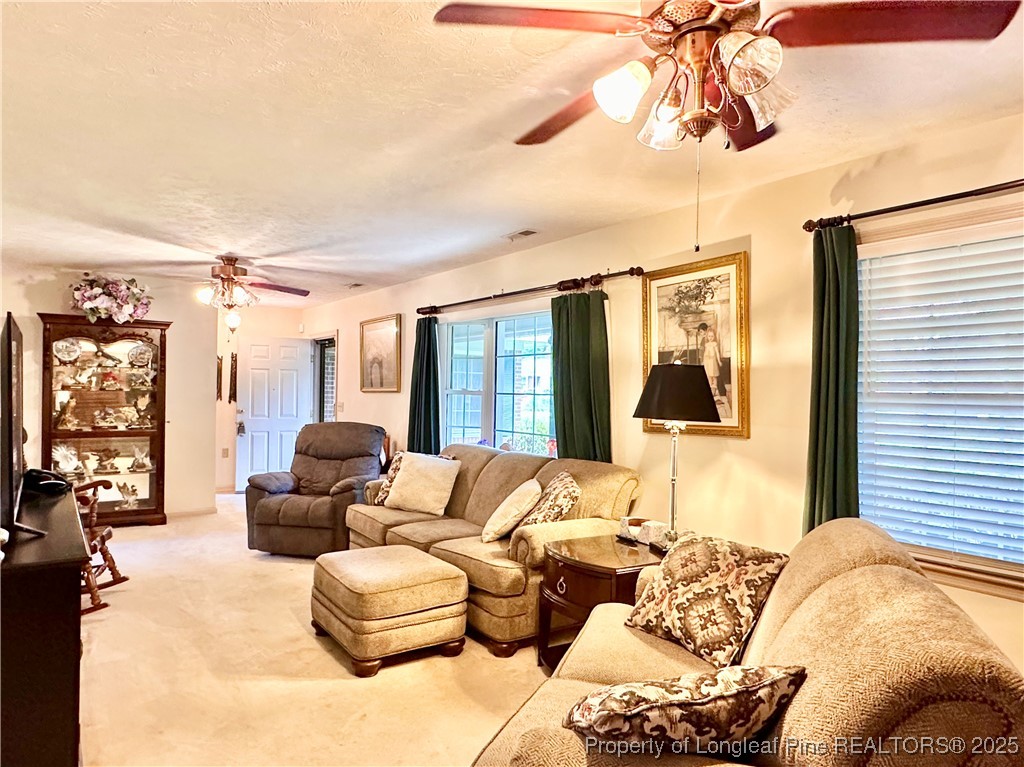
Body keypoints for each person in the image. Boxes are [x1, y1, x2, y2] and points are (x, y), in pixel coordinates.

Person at [703, 327, 722, 401]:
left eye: (712, 336)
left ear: (714, 337)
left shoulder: (714, 344)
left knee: (714, 376)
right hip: (708, 361)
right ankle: (711, 390)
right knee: (709, 376)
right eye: (709, 336)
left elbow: (717, 353)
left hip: (713, 362)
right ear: (707, 336)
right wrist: (704, 360)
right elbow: (705, 353)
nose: (710, 338)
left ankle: (715, 389)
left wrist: (719, 361)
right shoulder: (707, 344)